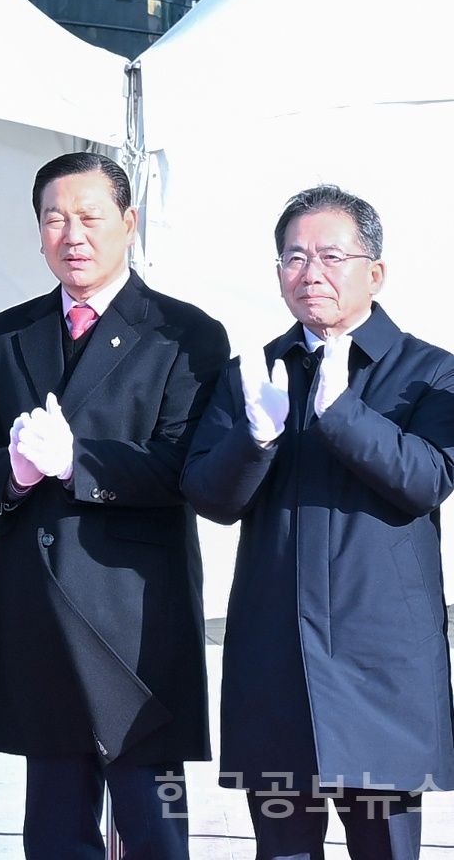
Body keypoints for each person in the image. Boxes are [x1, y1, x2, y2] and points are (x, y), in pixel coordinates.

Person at [183, 184, 454, 858]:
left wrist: (342, 414)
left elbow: (425, 481)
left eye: (331, 256)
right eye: (293, 258)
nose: (310, 273)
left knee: (384, 846)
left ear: (375, 271)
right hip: (276, 655)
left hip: (381, 661)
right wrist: (255, 439)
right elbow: (210, 498)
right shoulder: (254, 374)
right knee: (281, 846)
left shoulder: (427, 374)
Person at [0, 150, 229, 860]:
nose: (72, 234)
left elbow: (185, 466)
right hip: (38, 602)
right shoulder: (3, 334)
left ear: (128, 222)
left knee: (153, 822)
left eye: (89, 217)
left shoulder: (184, 333)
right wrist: (18, 472)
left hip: (135, 613)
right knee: (54, 825)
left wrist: (77, 462)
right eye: (54, 218)